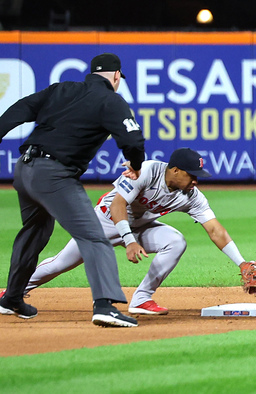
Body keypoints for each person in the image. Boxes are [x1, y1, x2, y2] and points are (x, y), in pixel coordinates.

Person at [10, 148, 256, 315]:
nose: (196, 181)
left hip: (140, 228)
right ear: (175, 170)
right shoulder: (147, 170)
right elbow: (119, 205)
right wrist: (128, 240)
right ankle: (13, 292)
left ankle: (142, 298)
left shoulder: (192, 196)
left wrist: (241, 263)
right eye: (192, 175)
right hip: (104, 222)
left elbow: (215, 230)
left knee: (175, 241)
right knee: (60, 264)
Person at [0, 53, 145, 327]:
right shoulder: (110, 100)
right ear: (116, 76)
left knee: (34, 231)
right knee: (93, 237)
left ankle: (12, 298)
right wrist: (136, 165)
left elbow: (21, 107)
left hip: (24, 168)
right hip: (54, 174)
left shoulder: (62, 88)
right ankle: (105, 305)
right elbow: (132, 140)